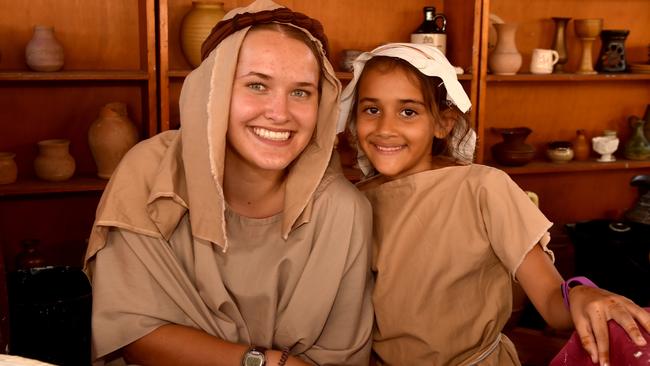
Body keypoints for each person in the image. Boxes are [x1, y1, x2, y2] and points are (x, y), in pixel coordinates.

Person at [83, 1, 374, 365]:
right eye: (256, 85)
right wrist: (265, 362)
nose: (280, 113)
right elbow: (132, 331)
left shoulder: (343, 212)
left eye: (301, 92)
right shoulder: (152, 174)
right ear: (213, 91)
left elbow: (341, 356)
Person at [337, 42, 650, 366]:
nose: (385, 128)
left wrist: (581, 294)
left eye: (408, 111)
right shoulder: (355, 201)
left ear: (443, 122)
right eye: (371, 109)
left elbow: (550, 300)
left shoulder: (483, 188)